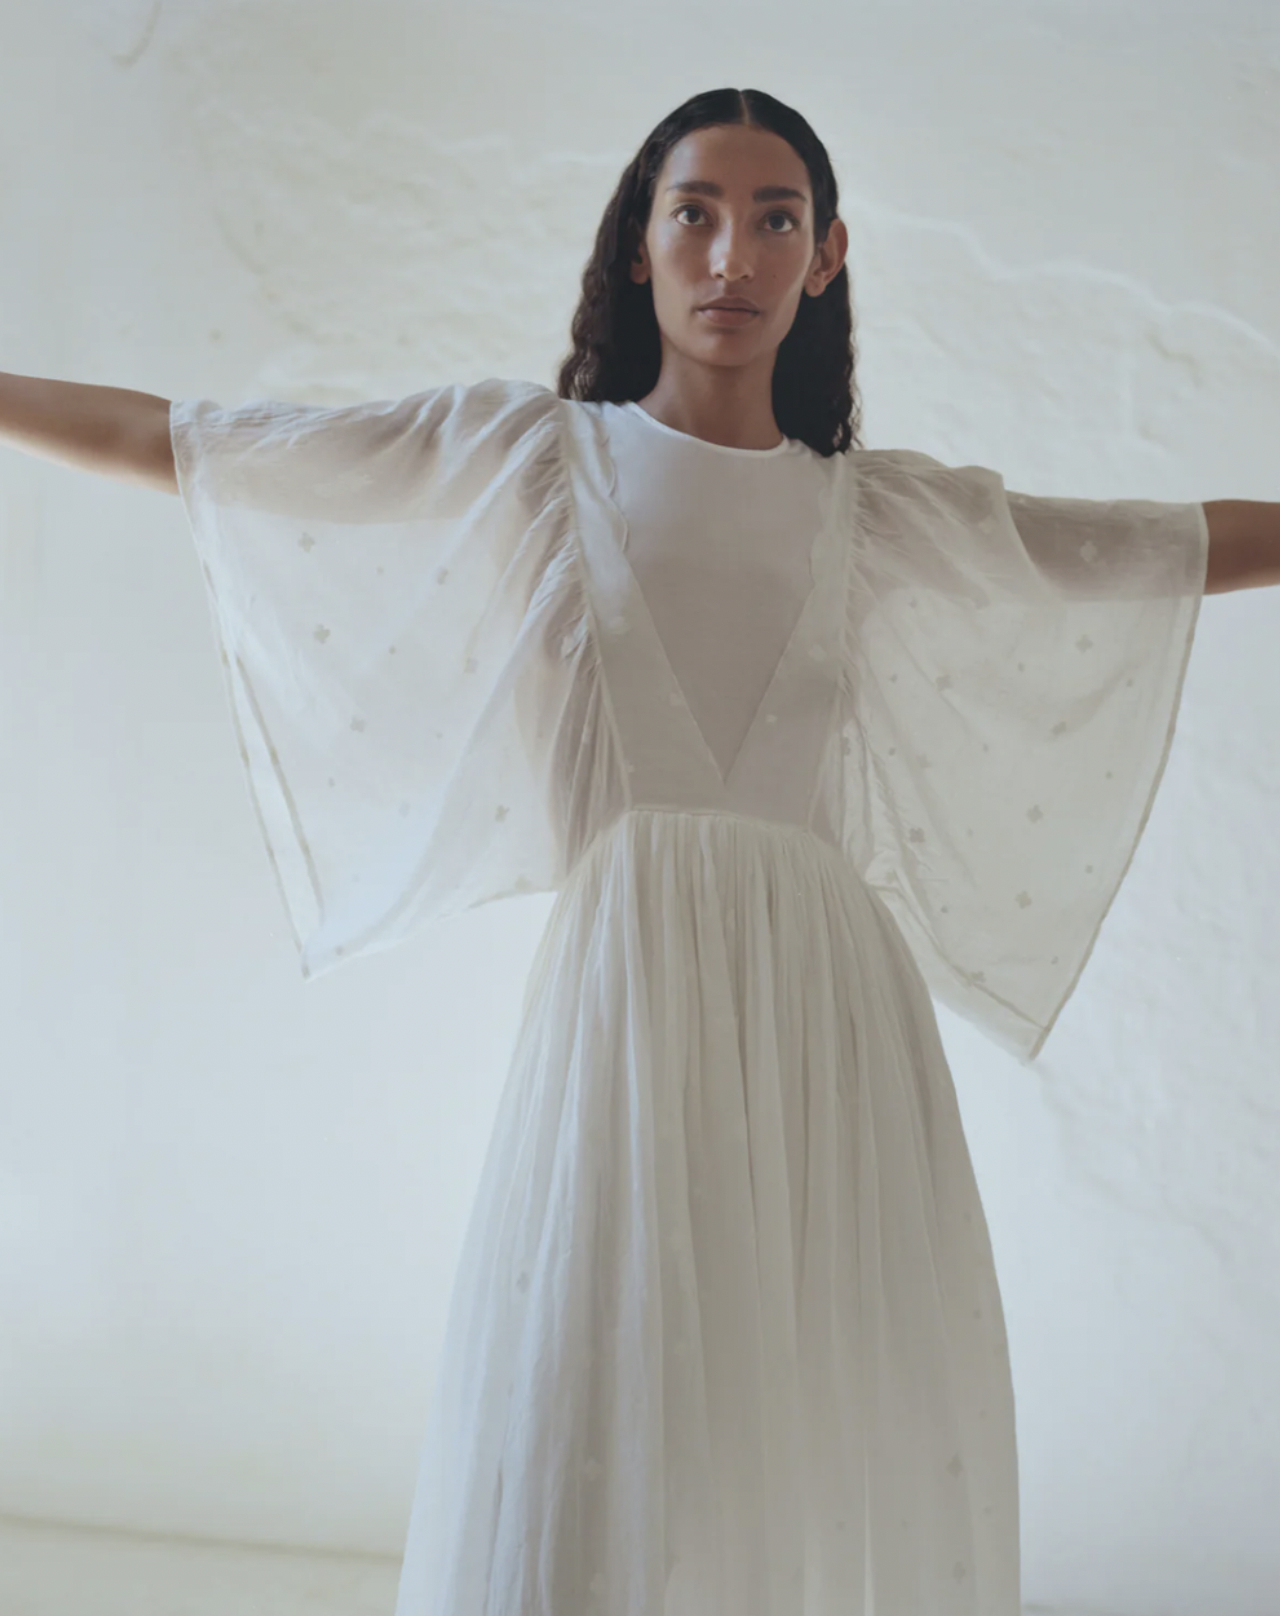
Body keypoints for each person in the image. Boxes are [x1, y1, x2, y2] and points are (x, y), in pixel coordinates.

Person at [2, 82, 1277, 1616]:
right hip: (630, 995)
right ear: (638, 247)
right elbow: (197, 446)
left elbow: (1142, 551)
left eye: (775, 218)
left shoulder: (873, 517)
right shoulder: (534, 460)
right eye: (696, 213)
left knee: (806, 1399)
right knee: (599, 1392)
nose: (733, 251)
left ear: (828, 257)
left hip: (827, 1018)